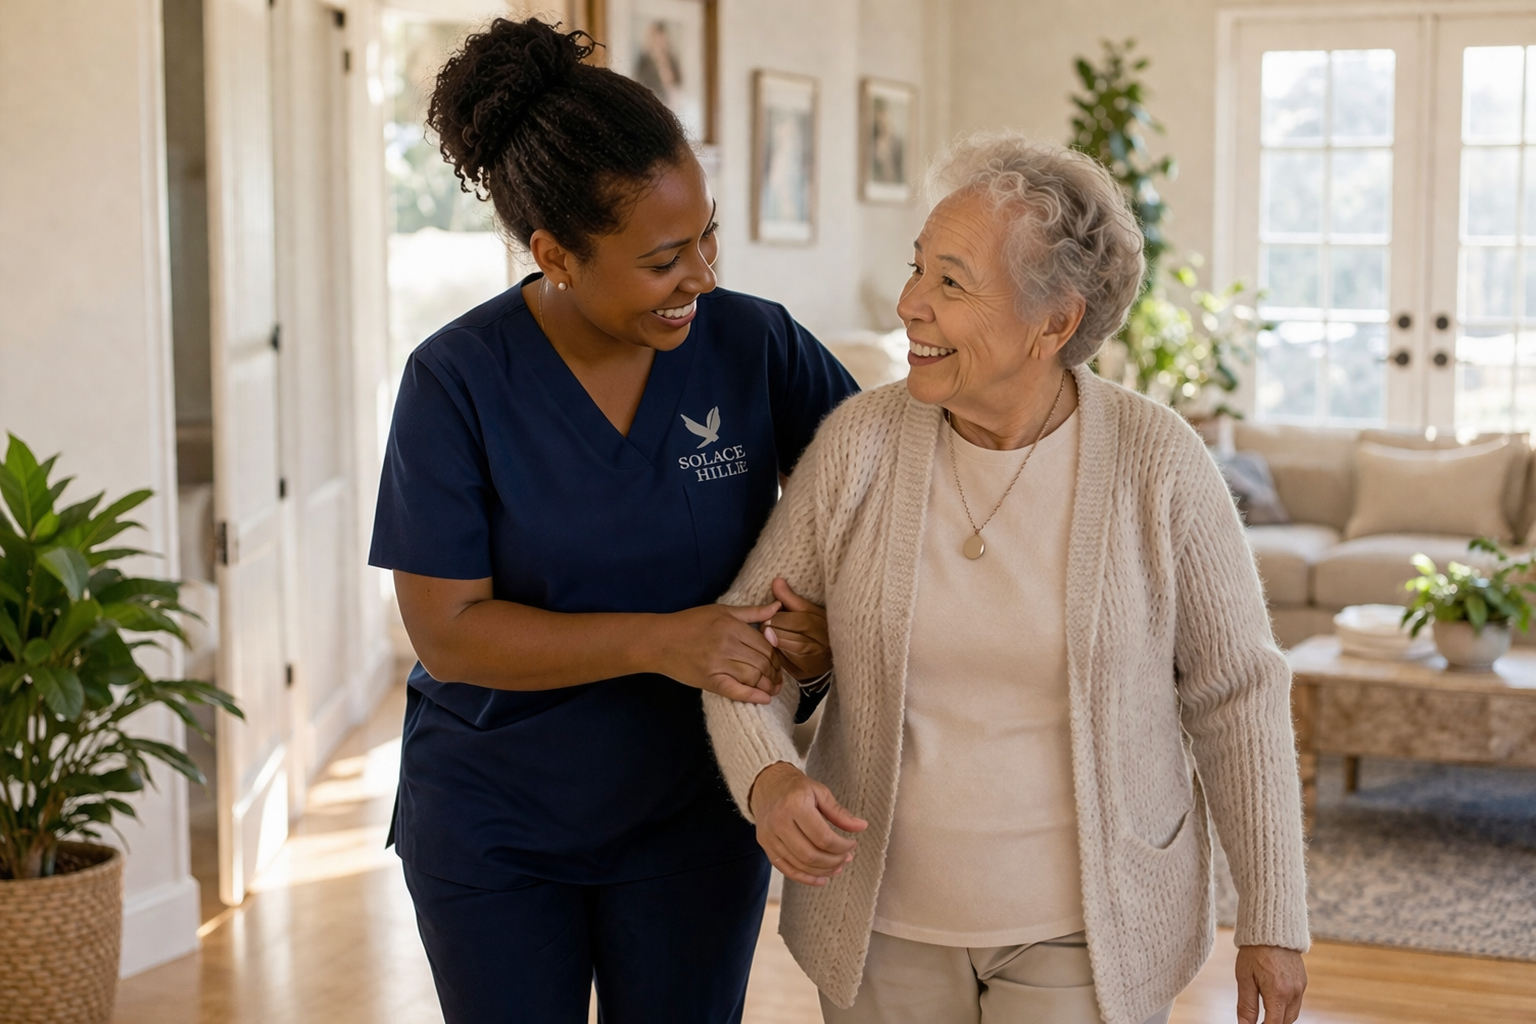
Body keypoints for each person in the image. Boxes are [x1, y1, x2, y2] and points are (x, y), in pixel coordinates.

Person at [705, 133, 1310, 1024]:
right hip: (881, 929)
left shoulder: (1158, 462)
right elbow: (741, 647)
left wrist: (1273, 917)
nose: (911, 304)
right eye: (917, 269)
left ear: (1054, 324)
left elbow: (1237, 695)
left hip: (1086, 934)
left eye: (951, 283)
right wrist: (771, 780)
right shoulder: (860, 443)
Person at [369, 19, 857, 1023]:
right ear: (555, 252)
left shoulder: (751, 343)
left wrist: (821, 634)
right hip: (496, 824)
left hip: (694, 812)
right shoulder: (454, 383)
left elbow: (883, 499)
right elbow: (447, 632)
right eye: (664, 258)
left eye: (709, 235)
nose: (703, 277)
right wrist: (666, 640)